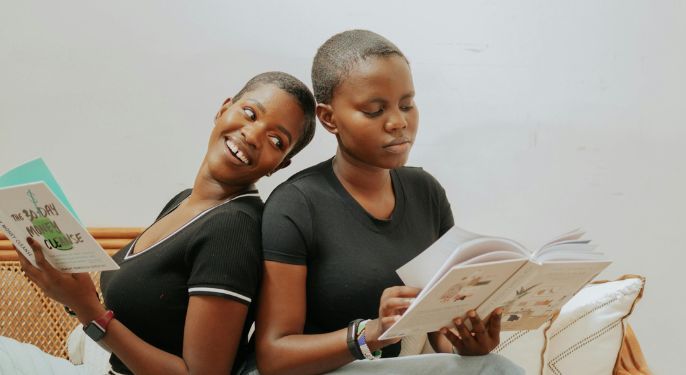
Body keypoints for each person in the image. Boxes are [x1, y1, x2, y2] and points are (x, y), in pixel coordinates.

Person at [6, 71, 316, 375]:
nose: (252, 135)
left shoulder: (232, 229)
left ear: (280, 165)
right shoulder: (186, 200)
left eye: (276, 140)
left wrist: (89, 311)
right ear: (223, 109)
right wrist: (69, 295)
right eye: (249, 113)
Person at [253, 31, 523, 374]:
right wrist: (371, 333)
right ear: (329, 118)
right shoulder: (296, 205)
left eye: (407, 104)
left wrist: (468, 344)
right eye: (375, 110)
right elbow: (274, 357)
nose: (399, 122)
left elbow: (439, 332)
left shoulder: (426, 193)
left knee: (490, 365)